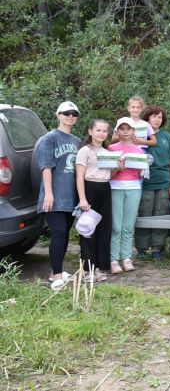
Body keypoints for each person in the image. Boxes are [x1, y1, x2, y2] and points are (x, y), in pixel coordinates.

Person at [35, 101, 82, 290]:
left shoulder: (77, 141)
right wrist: (48, 194)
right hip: (54, 196)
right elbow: (46, 167)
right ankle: (55, 276)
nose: (70, 116)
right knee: (59, 232)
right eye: (66, 113)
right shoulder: (49, 139)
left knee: (63, 236)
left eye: (74, 114)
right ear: (58, 115)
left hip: (71, 197)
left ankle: (58, 271)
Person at [75, 119, 115, 282]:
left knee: (104, 230)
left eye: (104, 131)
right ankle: (87, 270)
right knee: (88, 229)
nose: (101, 134)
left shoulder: (108, 152)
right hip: (89, 189)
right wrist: (82, 199)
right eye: (98, 130)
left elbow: (109, 175)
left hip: (105, 189)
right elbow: (79, 176)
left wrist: (118, 167)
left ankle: (99, 267)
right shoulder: (84, 151)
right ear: (91, 131)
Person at [137, 106, 170, 258]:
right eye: (154, 116)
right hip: (145, 182)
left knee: (161, 214)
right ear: (147, 118)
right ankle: (141, 248)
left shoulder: (167, 137)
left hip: (164, 181)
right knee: (144, 214)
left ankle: (157, 248)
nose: (156, 119)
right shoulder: (140, 135)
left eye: (159, 117)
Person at [108, 117, 145, 274]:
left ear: (133, 131)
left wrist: (143, 169)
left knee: (128, 226)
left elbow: (140, 174)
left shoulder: (139, 150)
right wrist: (117, 169)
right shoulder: (110, 149)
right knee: (116, 226)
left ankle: (127, 257)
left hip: (134, 188)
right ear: (117, 131)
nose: (125, 131)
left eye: (128, 128)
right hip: (115, 187)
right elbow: (106, 174)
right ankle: (113, 259)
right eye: (121, 128)